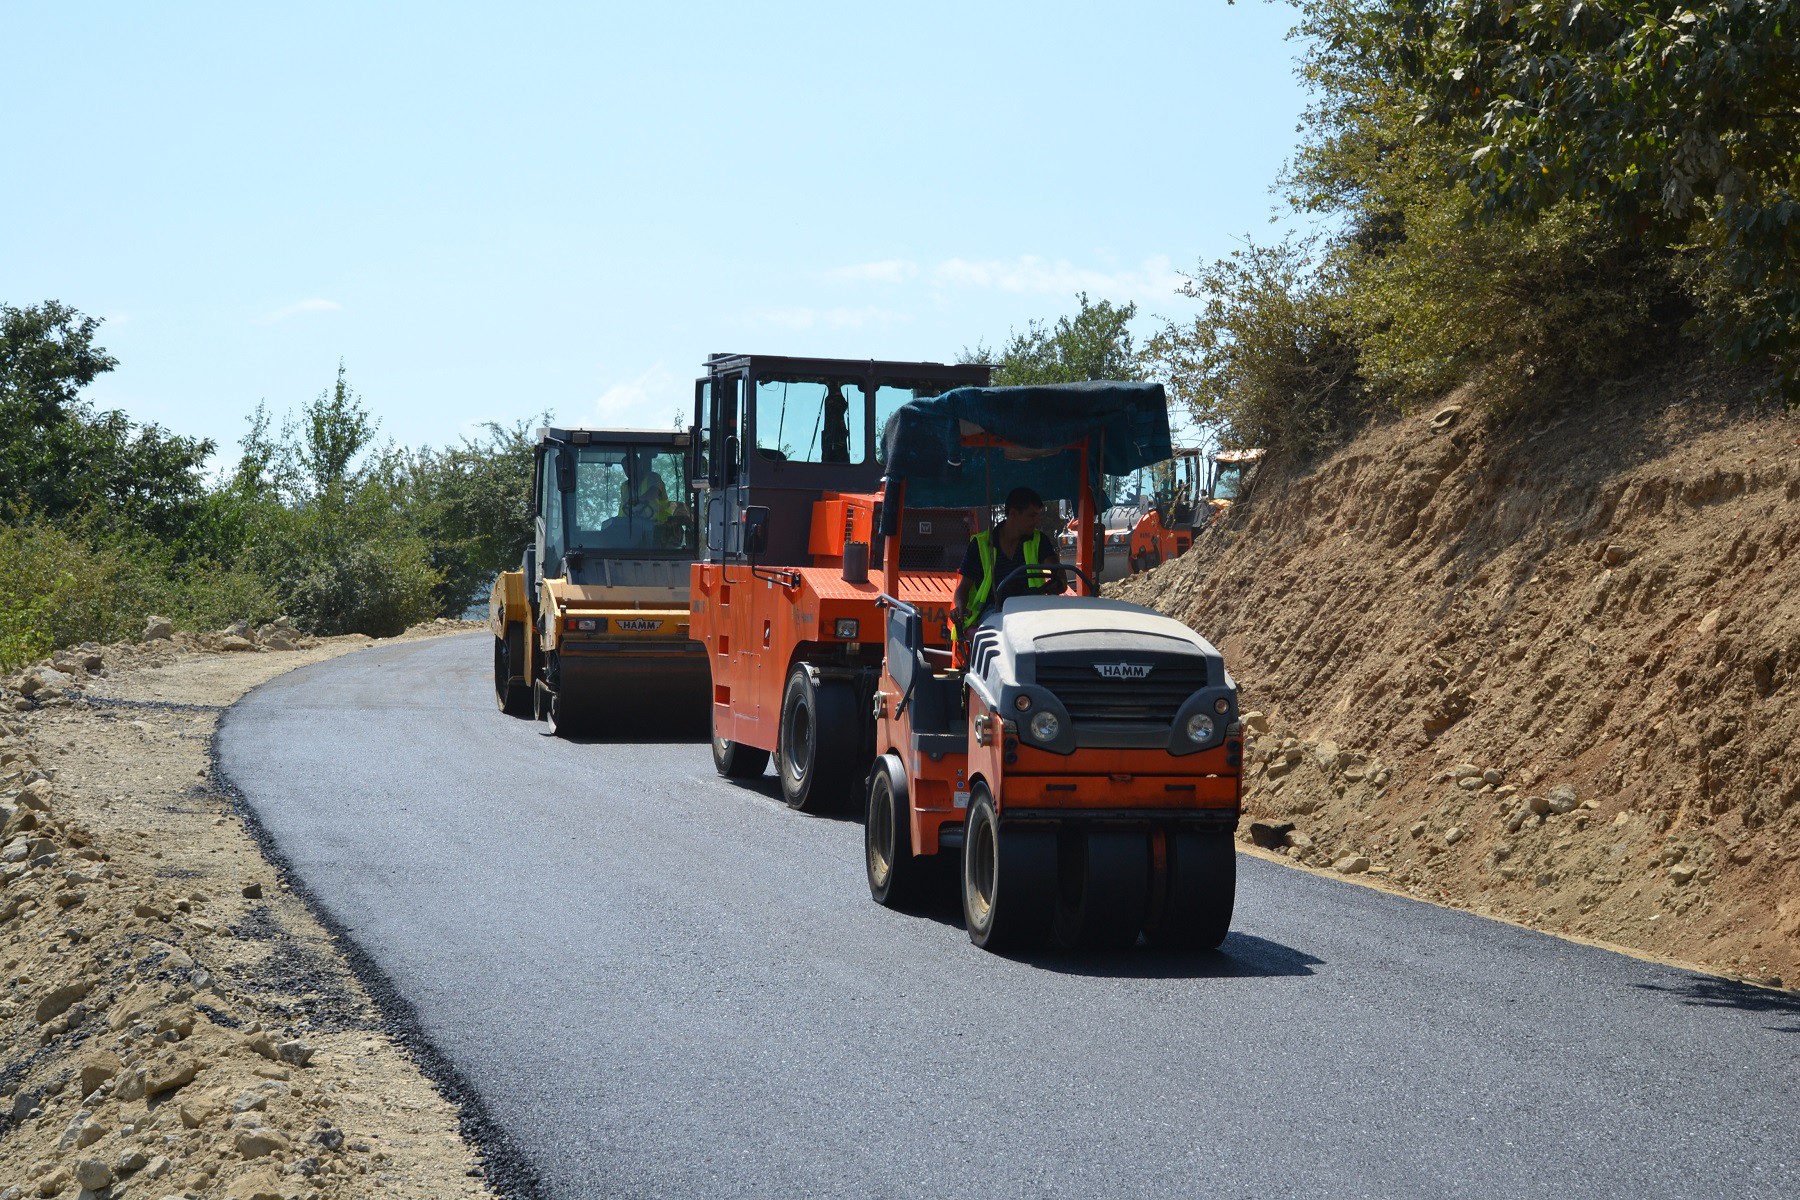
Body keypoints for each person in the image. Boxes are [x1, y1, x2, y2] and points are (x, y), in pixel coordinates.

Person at [952, 486, 1066, 636]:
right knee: (1005, 636)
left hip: (1031, 610)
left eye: (1038, 516)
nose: (1037, 521)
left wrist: (1057, 583)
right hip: (993, 612)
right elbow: (963, 588)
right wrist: (960, 607)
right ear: (1013, 514)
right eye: (1032, 516)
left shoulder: (1039, 540)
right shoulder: (980, 544)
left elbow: (1058, 575)